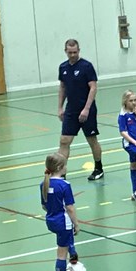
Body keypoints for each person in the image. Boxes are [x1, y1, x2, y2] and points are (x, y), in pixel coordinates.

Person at [57, 39, 103, 180]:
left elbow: (93, 88)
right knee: (64, 141)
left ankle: (98, 168)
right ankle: (61, 172)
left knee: (92, 140)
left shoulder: (86, 66)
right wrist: (60, 107)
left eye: (75, 52)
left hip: (87, 110)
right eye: (70, 52)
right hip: (71, 110)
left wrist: (86, 109)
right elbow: (63, 87)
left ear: (79, 50)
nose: (72, 55)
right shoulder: (63, 67)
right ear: (65, 51)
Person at [41, 153, 81, 271]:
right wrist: (76, 224)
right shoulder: (64, 185)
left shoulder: (43, 184)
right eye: (65, 165)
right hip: (63, 221)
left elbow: (44, 206)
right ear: (59, 168)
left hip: (51, 220)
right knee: (61, 253)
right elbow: (70, 208)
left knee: (64, 238)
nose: (66, 168)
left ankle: (73, 252)